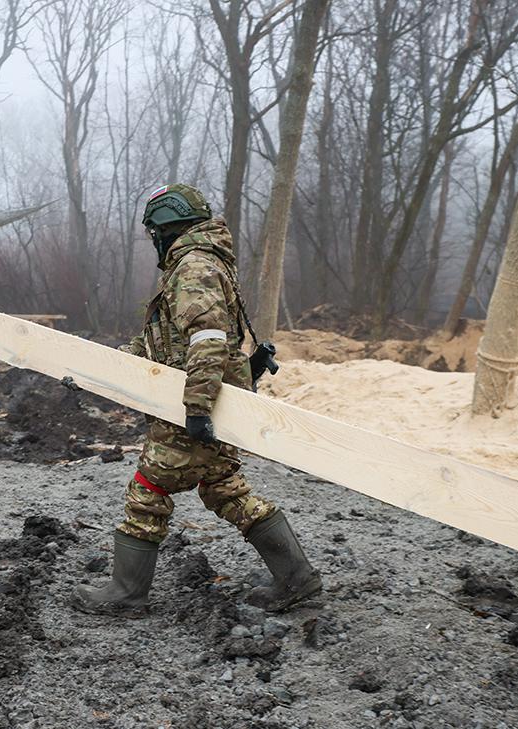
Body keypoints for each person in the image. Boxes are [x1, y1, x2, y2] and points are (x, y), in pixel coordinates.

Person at [70, 183, 322, 617]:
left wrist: (197, 410)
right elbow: (164, 342)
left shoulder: (192, 267)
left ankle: (126, 593)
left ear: (166, 227)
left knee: (147, 491)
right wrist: (99, 369)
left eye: (155, 233)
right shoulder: (207, 262)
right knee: (224, 488)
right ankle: (296, 576)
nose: (156, 242)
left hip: (194, 401)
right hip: (211, 397)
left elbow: (206, 342)